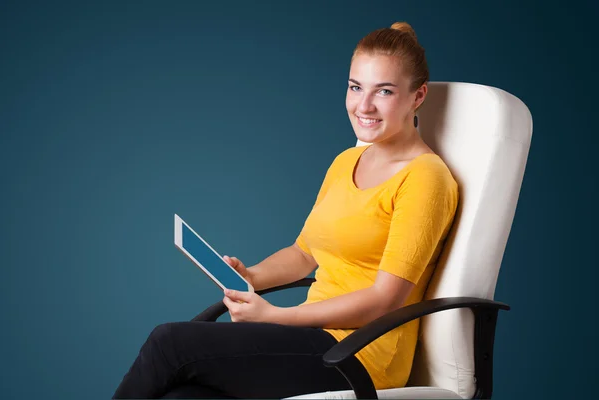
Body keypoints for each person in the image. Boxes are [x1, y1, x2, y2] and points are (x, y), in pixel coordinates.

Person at [113, 21, 459, 399]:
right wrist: (252, 276)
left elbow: (384, 300)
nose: (364, 105)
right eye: (355, 87)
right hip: (313, 338)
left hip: (361, 355)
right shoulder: (347, 161)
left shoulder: (426, 178)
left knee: (169, 343)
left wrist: (275, 316)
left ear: (418, 96)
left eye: (385, 91)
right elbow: (303, 253)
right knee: (183, 396)